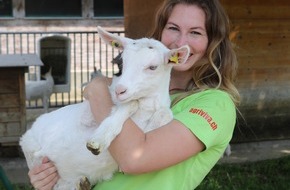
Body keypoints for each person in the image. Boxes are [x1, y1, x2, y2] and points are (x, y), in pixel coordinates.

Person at [28, 0, 240, 189]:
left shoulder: (215, 104)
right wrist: (55, 176)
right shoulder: (134, 91)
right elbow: (99, 157)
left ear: (213, 41)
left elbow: (134, 159)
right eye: (173, 28)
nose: (180, 42)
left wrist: (99, 89)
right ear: (160, 31)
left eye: (195, 32)